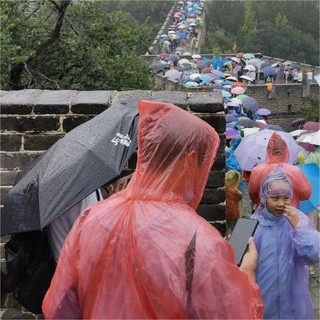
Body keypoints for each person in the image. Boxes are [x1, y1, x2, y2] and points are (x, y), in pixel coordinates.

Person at [42, 100, 264, 319]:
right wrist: (247, 277)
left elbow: (59, 308)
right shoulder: (199, 241)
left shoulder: (91, 218)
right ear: (190, 160)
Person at [251, 166, 320, 319]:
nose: (281, 203)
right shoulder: (254, 224)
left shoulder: (298, 220)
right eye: (275, 198)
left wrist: (299, 228)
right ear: (263, 197)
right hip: (265, 294)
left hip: (293, 296)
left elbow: (312, 256)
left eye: (286, 198)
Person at [47, 170, 133, 263]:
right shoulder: (87, 196)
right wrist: (111, 206)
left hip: (64, 259)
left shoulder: (80, 186)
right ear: (111, 187)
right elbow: (96, 244)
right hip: (68, 267)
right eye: (121, 187)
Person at [248, 132, 311, 210]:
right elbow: (305, 195)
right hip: (289, 213)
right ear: (286, 150)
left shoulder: (257, 170)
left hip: (264, 214)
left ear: (268, 150)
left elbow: (253, 195)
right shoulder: (295, 171)